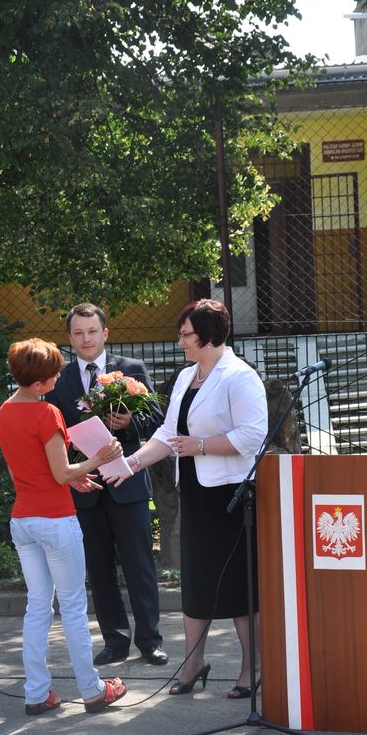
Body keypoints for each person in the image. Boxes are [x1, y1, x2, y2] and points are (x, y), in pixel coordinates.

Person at [107, 299, 268, 698]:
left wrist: (201, 445)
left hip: (231, 495)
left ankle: (253, 668)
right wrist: (130, 465)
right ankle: (193, 663)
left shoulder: (239, 376)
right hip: (195, 492)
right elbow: (168, 434)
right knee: (196, 582)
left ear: (209, 335)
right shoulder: (185, 377)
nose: (180, 342)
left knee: (237, 584)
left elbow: (253, 435)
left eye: (186, 336)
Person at [0, 337, 127, 715]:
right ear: (38, 382)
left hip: (23, 519)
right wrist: (98, 458)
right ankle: (92, 690)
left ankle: (36, 693)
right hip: (55, 520)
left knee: (38, 606)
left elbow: (24, 471)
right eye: (53, 374)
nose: (57, 377)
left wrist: (71, 477)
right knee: (72, 606)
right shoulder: (46, 412)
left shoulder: (4, 411)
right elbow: (61, 472)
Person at [47, 303, 168, 667]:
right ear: (70, 338)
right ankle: (115, 641)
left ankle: (150, 641)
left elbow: (158, 421)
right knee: (99, 569)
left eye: (92, 331)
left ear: (105, 333)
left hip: (128, 482)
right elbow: (54, 433)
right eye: (78, 333)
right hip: (86, 487)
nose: (86, 339)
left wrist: (130, 423)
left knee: (139, 566)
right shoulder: (60, 379)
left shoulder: (131, 369)